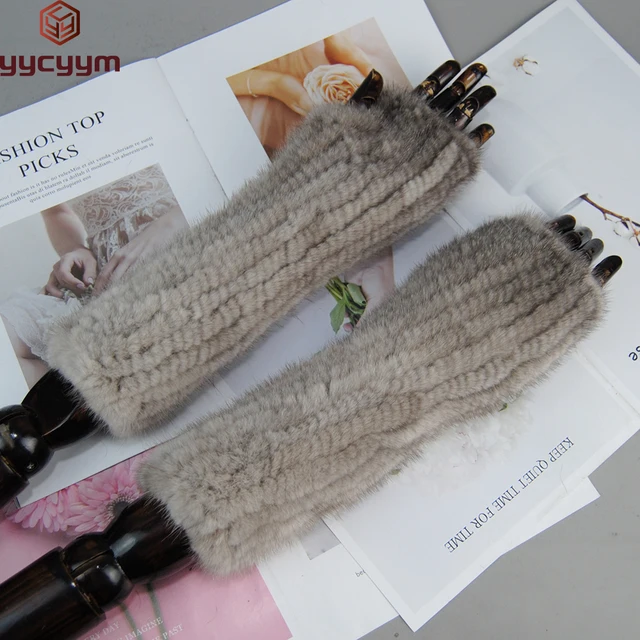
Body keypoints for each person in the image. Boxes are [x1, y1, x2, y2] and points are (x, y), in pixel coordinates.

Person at [0, 164, 187, 388]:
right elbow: (56, 211)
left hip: (184, 230)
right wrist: (75, 249)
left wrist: (174, 220)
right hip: (102, 274)